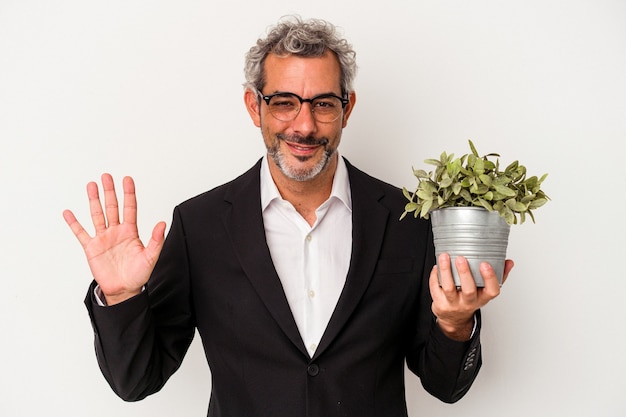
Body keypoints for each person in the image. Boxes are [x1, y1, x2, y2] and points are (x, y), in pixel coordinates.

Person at [63, 16, 513, 417]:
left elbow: (445, 386)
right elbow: (136, 380)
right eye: (283, 102)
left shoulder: (408, 218)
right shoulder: (199, 226)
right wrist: (121, 298)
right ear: (254, 106)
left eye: (322, 103)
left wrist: (455, 324)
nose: (304, 126)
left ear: (346, 109)